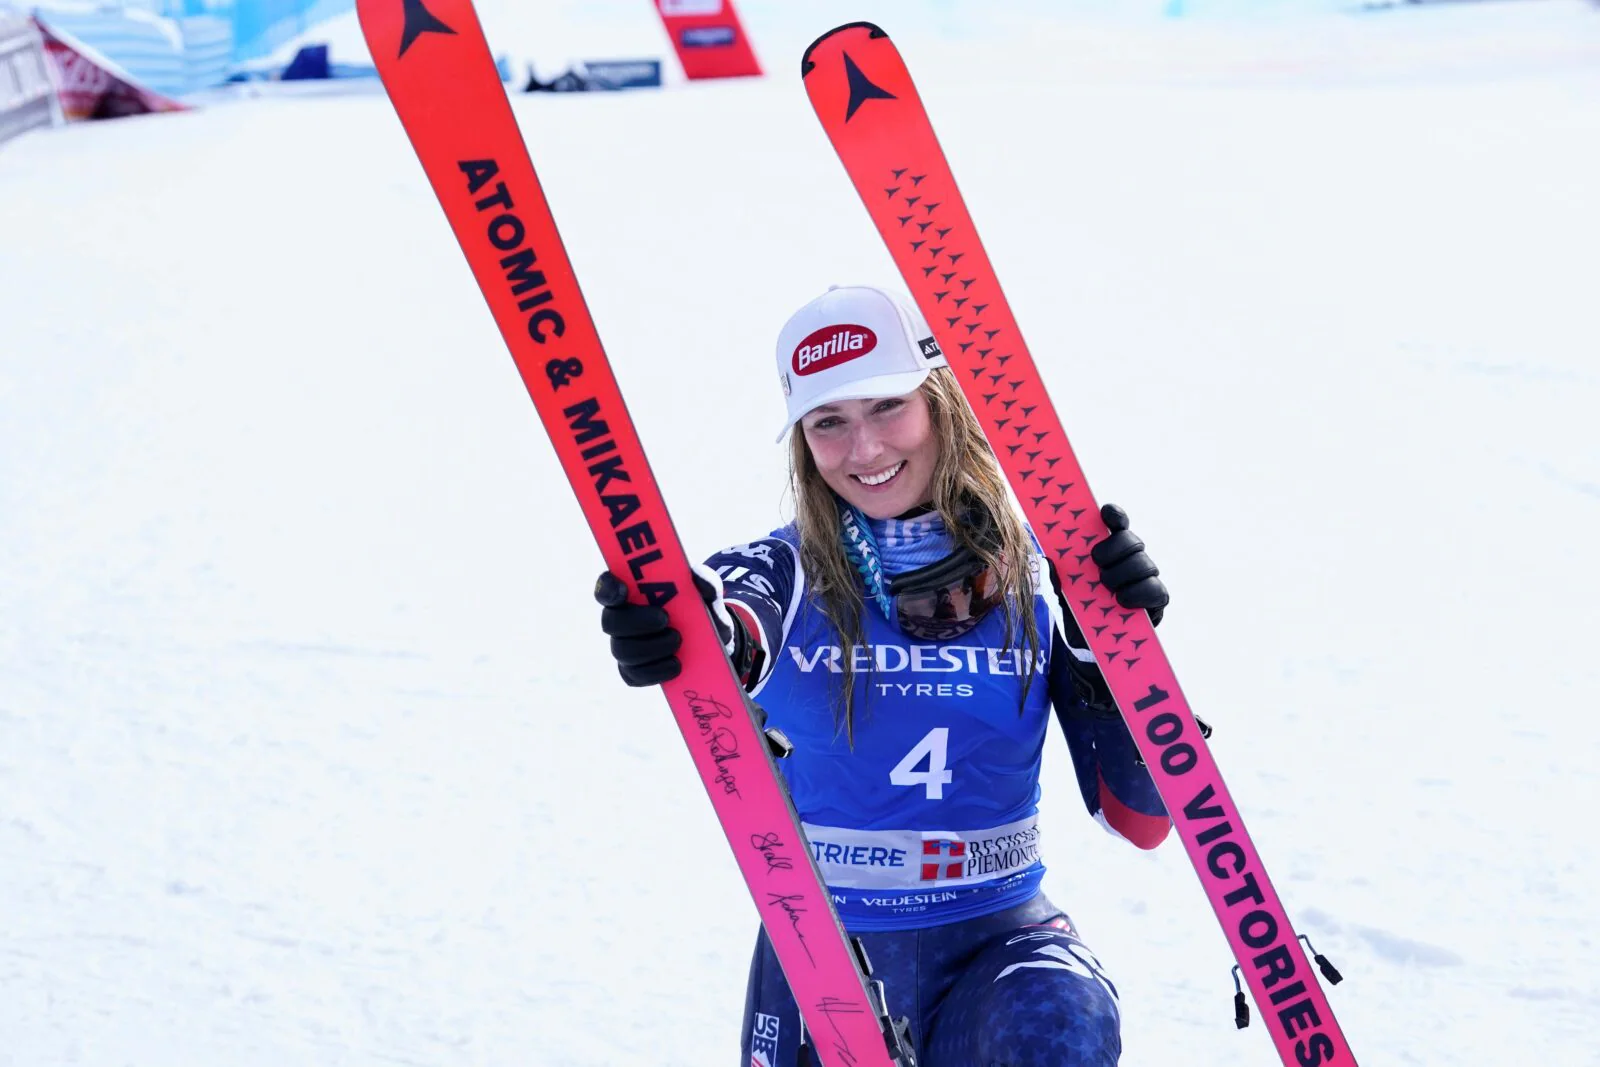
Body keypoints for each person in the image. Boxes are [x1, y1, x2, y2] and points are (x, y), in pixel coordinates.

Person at [593, 285, 1173, 1066]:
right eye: (828, 422)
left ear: (940, 403)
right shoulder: (786, 570)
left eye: (887, 406)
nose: (863, 449)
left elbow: (1140, 819)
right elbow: (733, 614)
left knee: (1060, 1018)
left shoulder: (1043, 574)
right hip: (826, 964)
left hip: (999, 954)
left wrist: (1114, 656)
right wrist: (690, 632)